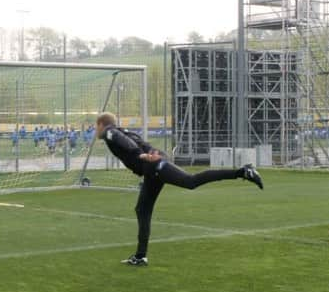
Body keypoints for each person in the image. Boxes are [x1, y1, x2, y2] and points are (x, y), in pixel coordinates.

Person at [95, 112, 263, 266]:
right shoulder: (120, 130)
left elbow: (126, 142)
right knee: (142, 210)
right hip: (151, 169)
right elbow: (133, 140)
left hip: (153, 165)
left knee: (190, 181)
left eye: (97, 126)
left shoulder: (111, 132)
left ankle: (243, 172)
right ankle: (140, 256)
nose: (96, 130)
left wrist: (141, 155)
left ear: (102, 124)